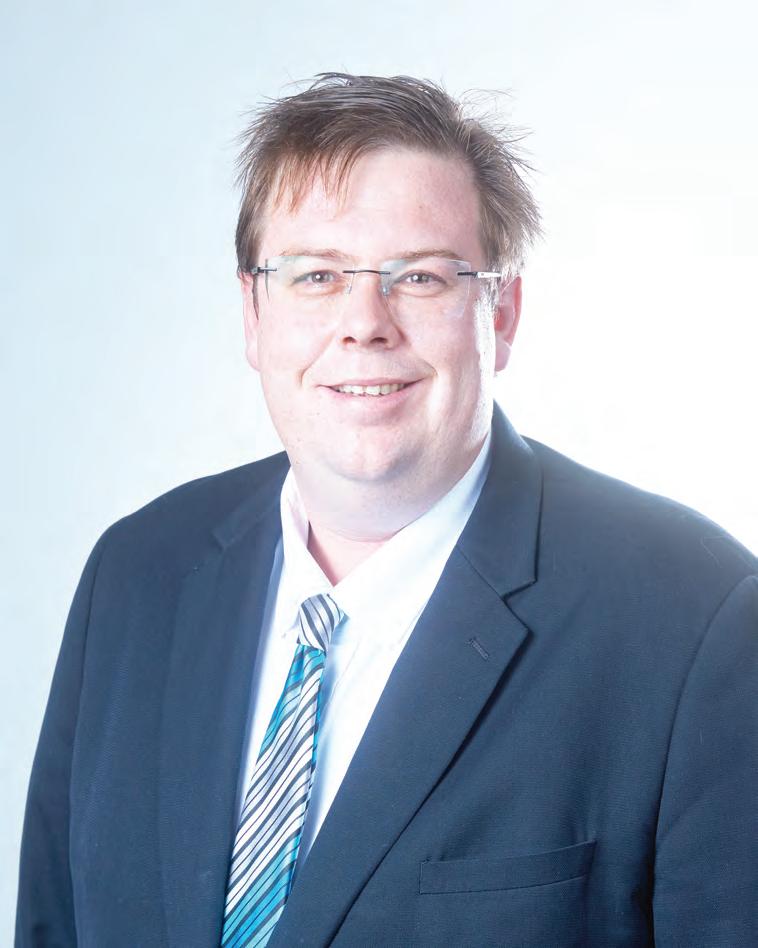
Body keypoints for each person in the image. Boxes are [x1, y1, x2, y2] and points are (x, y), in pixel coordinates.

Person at [16, 73, 757, 948]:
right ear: (253, 312)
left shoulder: (696, 619)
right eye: (316, 275)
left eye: (420, 277)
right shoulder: (138, 574)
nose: (364, 323)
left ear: (501, 313)